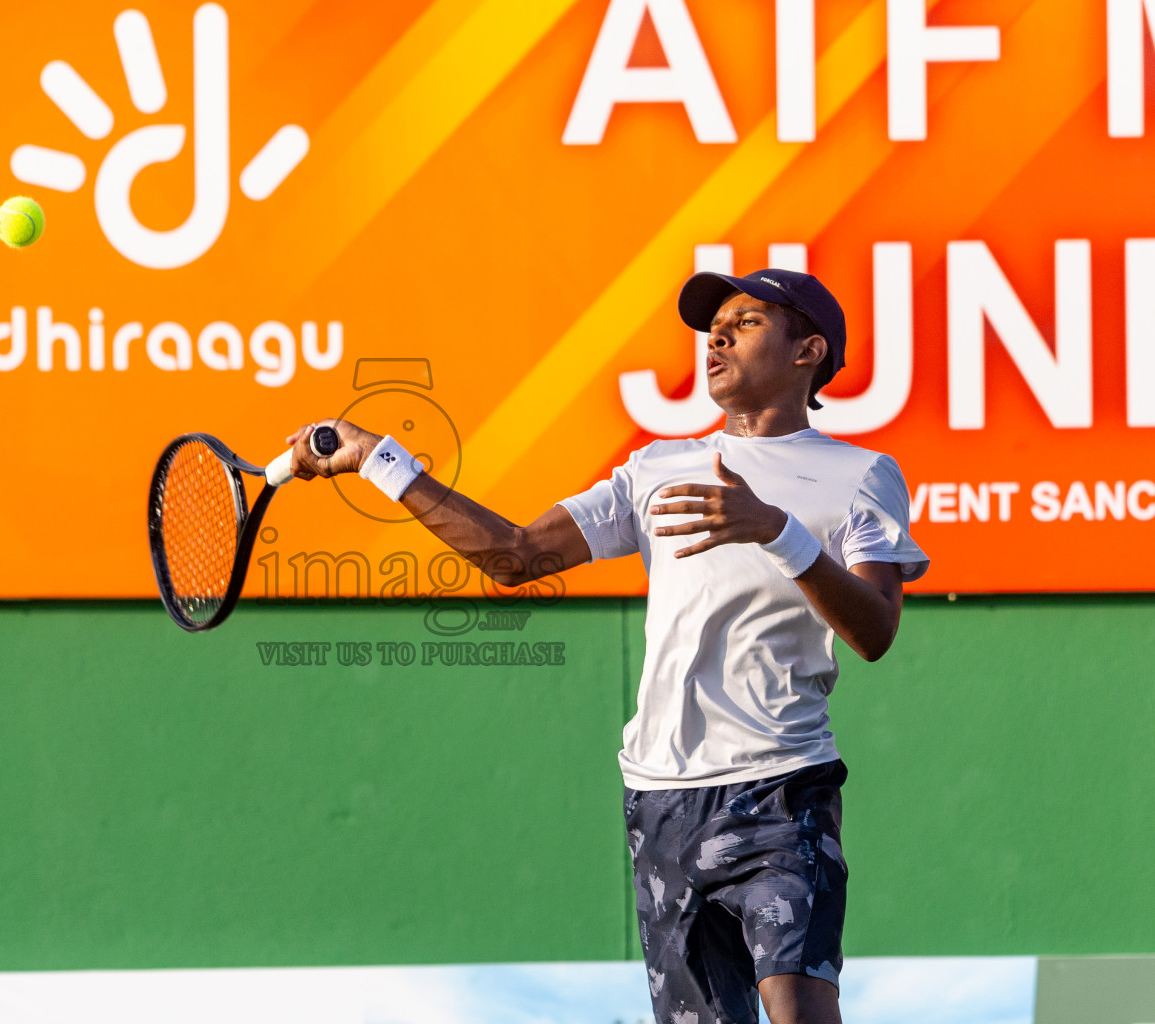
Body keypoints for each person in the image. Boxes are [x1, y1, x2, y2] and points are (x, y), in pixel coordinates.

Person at [283, 268, 928, 1024]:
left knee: (799, 1008)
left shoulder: (860, 476)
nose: (715, 337)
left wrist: (776, 531)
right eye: (711, 326)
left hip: (781, 792)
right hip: (660, 805)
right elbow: (515, 555)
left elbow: (876, 629)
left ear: (808, 352)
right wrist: (379, 460)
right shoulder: (655, 468)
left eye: (746, 322)